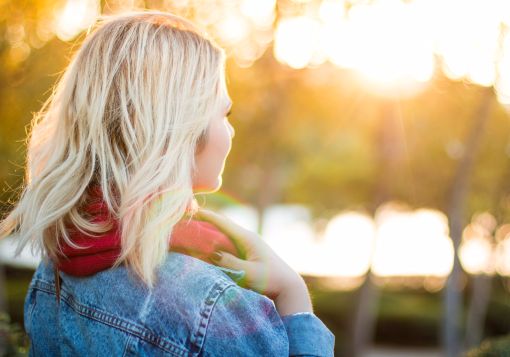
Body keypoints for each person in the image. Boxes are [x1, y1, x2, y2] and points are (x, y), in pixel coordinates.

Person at [0, 11, 335, 356]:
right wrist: (294, 295)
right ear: (181, 128)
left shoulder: (57, 262)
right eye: (224, 114)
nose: (230, 130)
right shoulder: (210, 307)